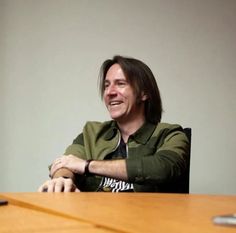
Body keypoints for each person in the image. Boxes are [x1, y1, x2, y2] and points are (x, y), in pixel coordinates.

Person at [38, 55, 190, 193]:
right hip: (94, 218)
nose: (110, 92)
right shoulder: (92, 133)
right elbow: (66, 163)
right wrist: (62, 180)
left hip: (146, 219)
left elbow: (163, 168)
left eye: (120, 84)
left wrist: (87, 166)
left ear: (144, 93)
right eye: (106, 85)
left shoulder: (170, 134)